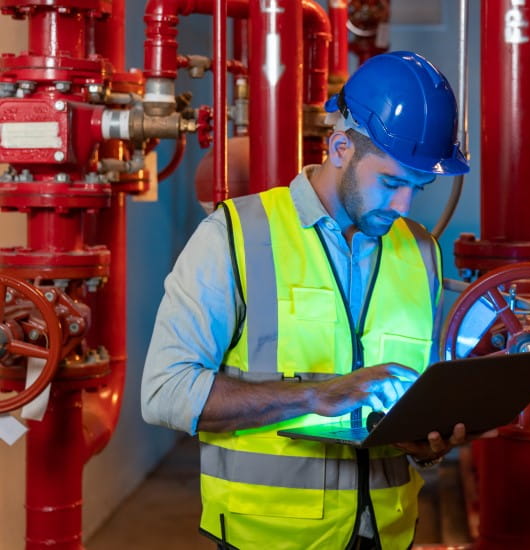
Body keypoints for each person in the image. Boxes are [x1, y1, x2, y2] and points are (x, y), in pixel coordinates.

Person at [141, 51, 485, 550]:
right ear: (341, 147)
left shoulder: (420, 252)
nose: (405, 206)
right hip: (268, 537)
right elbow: (165, 392)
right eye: (391, 182)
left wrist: (425, 444)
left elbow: (408, 399)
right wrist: (313, 396)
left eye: (418, 186)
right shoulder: (236, 236)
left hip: (387, 535)